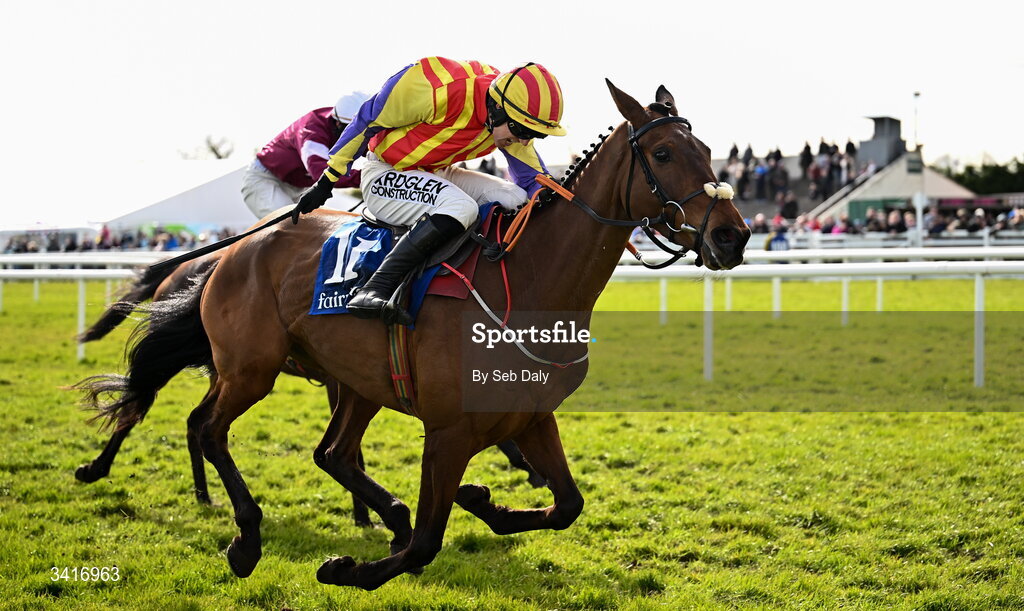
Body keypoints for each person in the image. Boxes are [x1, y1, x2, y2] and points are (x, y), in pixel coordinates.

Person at [293, 57, 567, 324]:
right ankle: (374, 288)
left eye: (534, 134)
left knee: (516, 199)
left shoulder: (508, 115)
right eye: (521, 130)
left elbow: (534, 182)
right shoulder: (436, 88)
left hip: (437, 172)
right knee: (461, 208)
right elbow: (367, 118)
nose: (523, 140)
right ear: (496, 107)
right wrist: (327, 180)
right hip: (386, 173)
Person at [241, 92, 370, 219]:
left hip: (300, 186)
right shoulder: (312, 131)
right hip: (265, 179)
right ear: (338, 123)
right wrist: (370, 178)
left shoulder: (343, 121)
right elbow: (322, 172)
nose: (359, 137)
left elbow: (372, 150)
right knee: (290, 228)